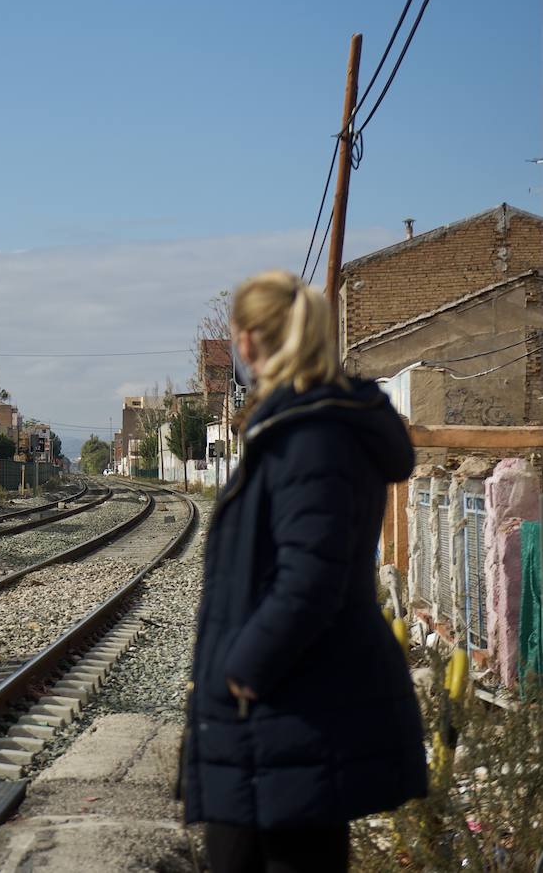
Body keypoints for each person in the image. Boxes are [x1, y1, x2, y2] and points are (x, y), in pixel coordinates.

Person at [182, 270, 426, 873]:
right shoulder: (299, 427)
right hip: (281, 713)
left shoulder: (311, 436)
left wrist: (242, 669)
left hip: (287, 710)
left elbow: (311, 577)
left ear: (252, 342)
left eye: (239, 333)